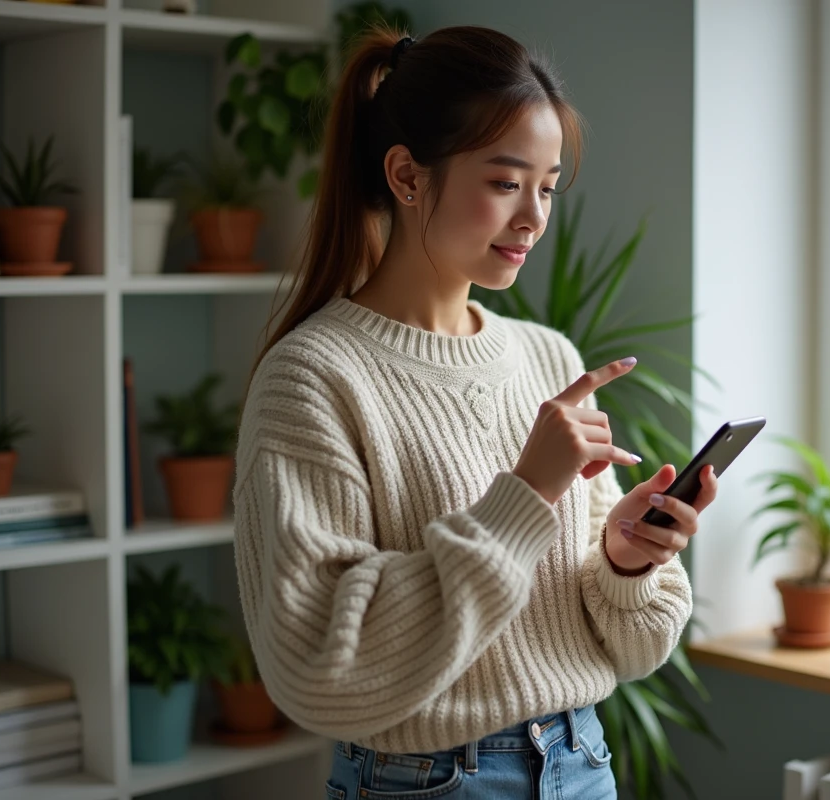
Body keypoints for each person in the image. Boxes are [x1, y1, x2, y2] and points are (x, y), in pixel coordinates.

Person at [232, 23, 718, 799]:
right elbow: (318, 667)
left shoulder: (548, 360)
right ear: (406, 175)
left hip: (582, 762)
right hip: (425, 781)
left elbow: (633, 645)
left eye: (549, 186)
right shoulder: (314, 378)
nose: (533, 216)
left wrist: (625, 561)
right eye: (504, 182)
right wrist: (525, 496)